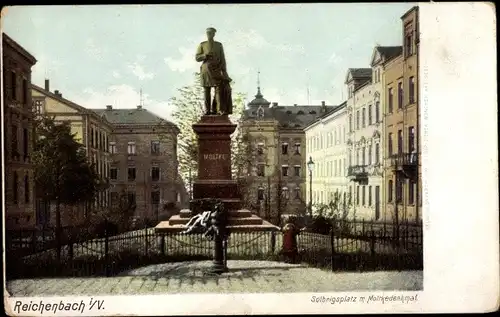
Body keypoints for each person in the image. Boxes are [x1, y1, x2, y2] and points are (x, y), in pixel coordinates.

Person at [195, 27, 233, 115]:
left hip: (217, 70)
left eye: (211, 33)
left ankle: (217, 109)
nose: (209, 34)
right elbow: (197, 58)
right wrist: (205, 55)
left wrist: (224, 73)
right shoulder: (202, 45)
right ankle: (207, 110)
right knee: (206, 90)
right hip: (206, 70)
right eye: (208, 33)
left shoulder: (219, 45)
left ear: (214, 34)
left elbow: (223, 60)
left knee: (218, 90)